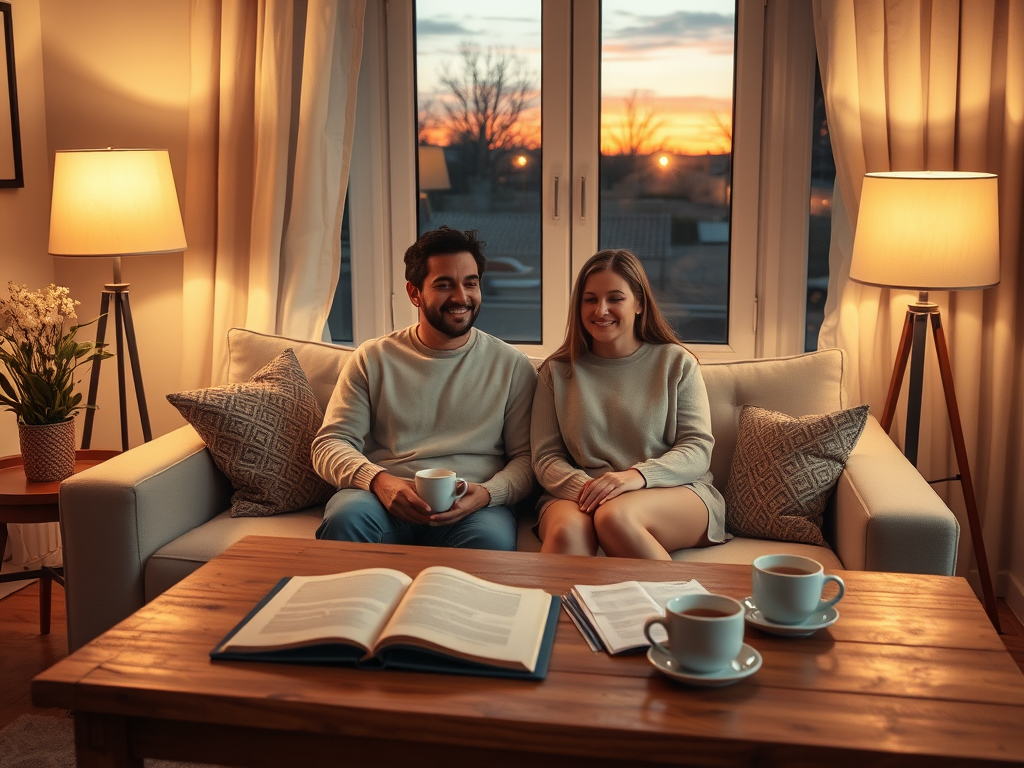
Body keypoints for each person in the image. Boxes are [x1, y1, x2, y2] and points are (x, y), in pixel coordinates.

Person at [312, 226, 537, 551]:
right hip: (381, 502)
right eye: (444, 284)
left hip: (472, 506)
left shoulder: (512, 365)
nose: (461, 297)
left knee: (490, 541)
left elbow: (528, 459)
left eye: (470, 283)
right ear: (415, 293)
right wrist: (378, 481)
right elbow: (330, 444)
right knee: (346, 518)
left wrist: (488, 494)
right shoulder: (373, 358)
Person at [530, 249, 726, 559]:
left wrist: (635, 478)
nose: (601, 310)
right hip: (580, 493)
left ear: (639, 304)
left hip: (672, 491)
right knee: (570, 530)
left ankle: (681, 607)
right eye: (590, 299)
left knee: (615, 517)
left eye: (615, 298)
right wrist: (593, 491)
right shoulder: (556, 372)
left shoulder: (677, 363)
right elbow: (546, 458)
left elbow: (697, 449)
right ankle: (556, 609)